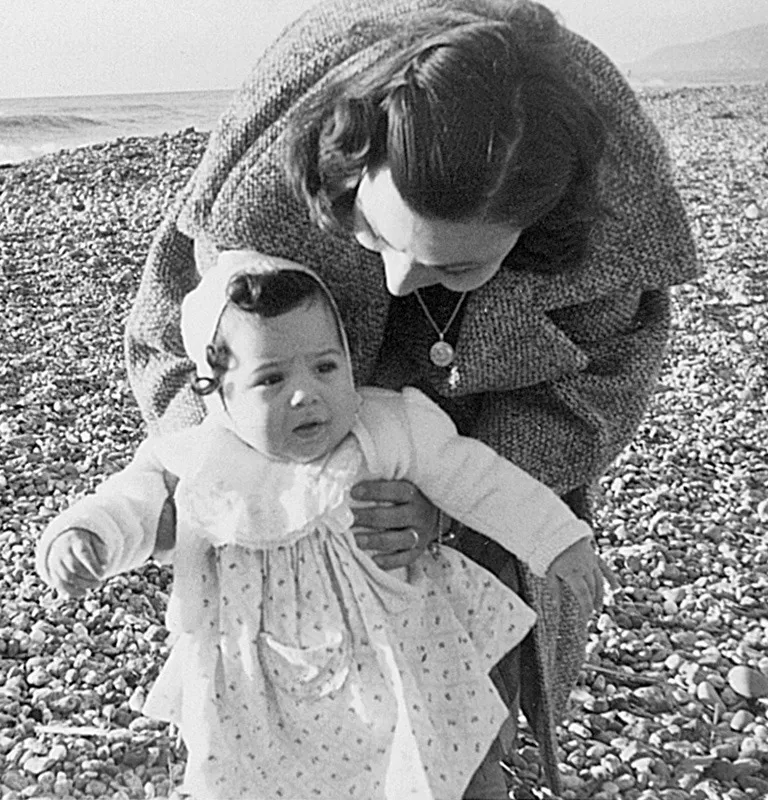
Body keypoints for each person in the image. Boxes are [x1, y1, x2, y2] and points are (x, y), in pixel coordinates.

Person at [123, 0, 700, 794]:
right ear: (349, 169)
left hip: (477, 451)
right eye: (376, 235)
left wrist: (450, 504)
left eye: (453, 266)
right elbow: (176, 347)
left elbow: (596, 388)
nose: (397, 279)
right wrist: (240, 481)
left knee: (470, 702)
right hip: (291, 473)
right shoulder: (263, 181)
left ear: (540, 229)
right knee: (282, 726)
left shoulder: (606, 223)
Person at [38, 251, 602, 800]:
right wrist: (84, 537)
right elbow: (131, 503)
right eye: (271, 379)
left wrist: (556, 540)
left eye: (325, 366)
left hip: (399, 660)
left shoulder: (386, 426)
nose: (306, 393)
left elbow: (480, 480)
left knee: (449, 766)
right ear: (217, 390)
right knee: (260, 780)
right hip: (258, 688)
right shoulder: (198, 457)